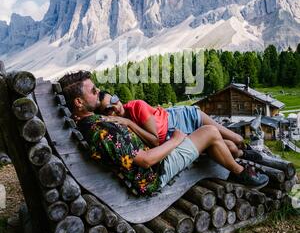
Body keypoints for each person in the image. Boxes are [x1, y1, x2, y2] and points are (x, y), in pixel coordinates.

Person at [58, 71, 269, 195]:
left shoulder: (95, 123)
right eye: (93, 91)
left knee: (218, 141)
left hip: (154, 161)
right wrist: (176, 140)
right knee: (210, 132)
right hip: (154, 174)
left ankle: (239, 159)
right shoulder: (100, 129)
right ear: (78, 102)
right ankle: (240, 173)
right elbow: (146, 161)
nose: (98, 93)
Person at [97, 91, 245, 159]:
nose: (115, 107)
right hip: (179, 137)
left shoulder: (137, 106)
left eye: (114, 100)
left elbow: (155, 140)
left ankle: (250, 150)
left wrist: (129, 122)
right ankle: (244, 155)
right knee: (231, 148)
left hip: (185, 118)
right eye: (109, 109)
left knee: (237, 140)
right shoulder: (117, 125)